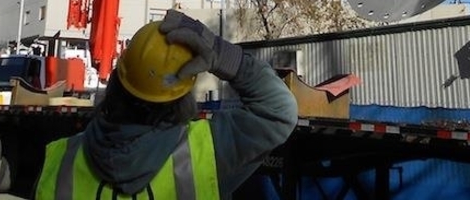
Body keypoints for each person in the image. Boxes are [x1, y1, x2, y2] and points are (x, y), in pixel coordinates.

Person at [34, 10, 298, 199]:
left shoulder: (60, 161)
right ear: (184, 95)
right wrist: (219, 53)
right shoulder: (207, 153)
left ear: (115, 80)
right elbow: (279, 110)